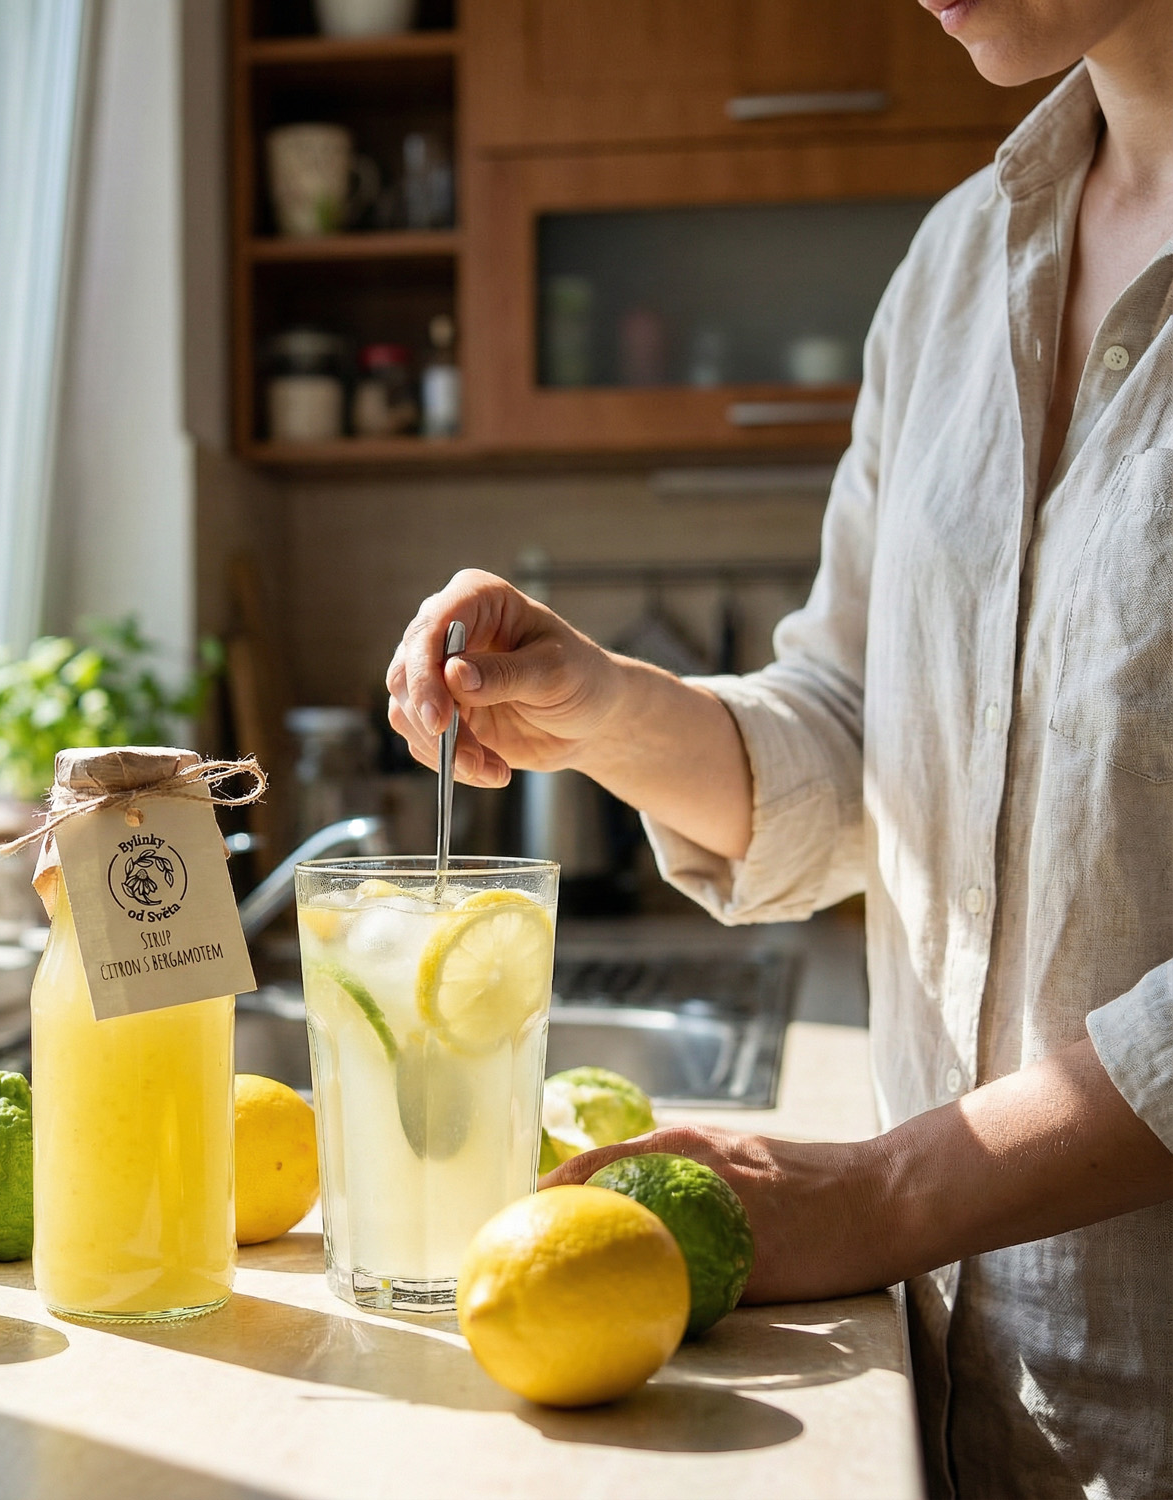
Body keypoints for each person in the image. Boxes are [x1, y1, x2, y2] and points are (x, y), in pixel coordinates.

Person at [385, 3, 1173, 1496]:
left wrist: (886, 1193)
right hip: (965, 1391)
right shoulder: (957, 264)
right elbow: (868, 729)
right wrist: (605, 706)